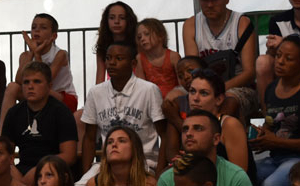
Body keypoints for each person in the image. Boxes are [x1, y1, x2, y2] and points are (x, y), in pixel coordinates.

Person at [249, 36, 300, 186]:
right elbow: (271, 123)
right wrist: (262, 136)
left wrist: (278, 141)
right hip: (276, 158)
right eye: (278, 55)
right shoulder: (271, 89)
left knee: (271, 184)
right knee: (242, 176)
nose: (280, 61)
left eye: (289, 58)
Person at [80, 43, 165, 181]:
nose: (111, 63)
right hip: (107, 164)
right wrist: (86, 174)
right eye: (108, 58)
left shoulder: (149, 90)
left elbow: (164, 135)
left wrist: (160, 176)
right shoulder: (95, 92)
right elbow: (89, 138)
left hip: (143, 162)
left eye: (119, 58)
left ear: (132, 63)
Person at [180, 0, 258, 120]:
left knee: (227, 101)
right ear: (199, 0)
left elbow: (249, 73)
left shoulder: (241, 23)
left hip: (238, 87)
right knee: (170, 102)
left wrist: (217, 89)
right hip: (204, 86)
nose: (210, 4)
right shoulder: (190, 25)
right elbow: (193, 68)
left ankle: (226, 140)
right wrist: (205, 91)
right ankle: (187, 137)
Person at [0, 14, 77, 132]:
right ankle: (2, 136)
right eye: (34, 27)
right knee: (12, 87)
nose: (37, 30)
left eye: (43, 27)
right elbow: (19, 81)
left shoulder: (60, 54)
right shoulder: (25, 55)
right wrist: (31, 53)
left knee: (40, 87)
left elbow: (46, 81)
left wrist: (37, 54)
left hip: (61, 97)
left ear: (53, 36)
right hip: (37, 95)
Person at [0, 62, 77, 179]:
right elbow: (4, 151)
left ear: (49, 86)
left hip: (53, 170)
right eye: (26, 82)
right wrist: (13, 171)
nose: (30, 86)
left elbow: (69, 155)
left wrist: (39, 171)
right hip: (21, 170)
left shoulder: (61, 112)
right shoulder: (14, 113)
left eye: (37, 81)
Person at [181, 70, 254, 181]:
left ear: (219, 99)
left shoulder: (229, 125)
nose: (195, 98)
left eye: (203, 93)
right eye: (192, 91)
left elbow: (239, 176)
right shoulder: (189, 124)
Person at [154, 110, 249, 186]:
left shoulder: (236, 177)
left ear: (216, 139)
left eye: (198, 128)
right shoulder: (166, 179)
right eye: (185, 129)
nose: (188, 134)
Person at [88, 126, 154, 186]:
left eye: (121, 141)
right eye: (110, 142)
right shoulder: (94, 183)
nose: (114, 144)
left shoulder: (149, 183)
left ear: (134, 148)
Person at [160, 57, 207, 139]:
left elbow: (203, 139)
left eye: (190, 71)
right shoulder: (178, 104)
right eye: (180, 76)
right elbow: (171, 149)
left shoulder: (216, 101)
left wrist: (175, 118)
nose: (185, 77)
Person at [135, 20, 181, 98]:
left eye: (147, 34)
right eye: (139, 37)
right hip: (151, 100)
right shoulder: (140, 58)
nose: (142, 39)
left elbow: (182, 85)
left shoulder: (173, 56)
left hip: (173, 101)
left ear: (161, 35)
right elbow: (141, 87)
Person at [95, 3, 138, 84]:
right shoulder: (103, 47)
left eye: (122, 18)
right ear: (106, 20)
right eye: (112, 18)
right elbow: (99, 81)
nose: (116, 21)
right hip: (112, 91)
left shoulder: (138, 45)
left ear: (129, 20)